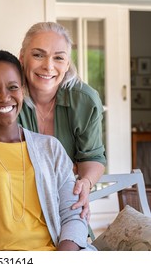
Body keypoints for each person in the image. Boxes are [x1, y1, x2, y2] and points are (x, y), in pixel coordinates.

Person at [0, 50, 95, 251]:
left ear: (22, 90)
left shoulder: (50, 148)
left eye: (12, 87)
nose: (4, 97)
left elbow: (74, 213)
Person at [17, 22, 106, 219]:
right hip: (18, 201)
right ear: (22, 57)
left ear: (67, 64)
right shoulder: (9, 98)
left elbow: (92, 157)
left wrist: (85, 182)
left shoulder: (84, 100)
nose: (48, 66)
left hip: (65, 201)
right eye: (38, 55)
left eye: (58, 58)